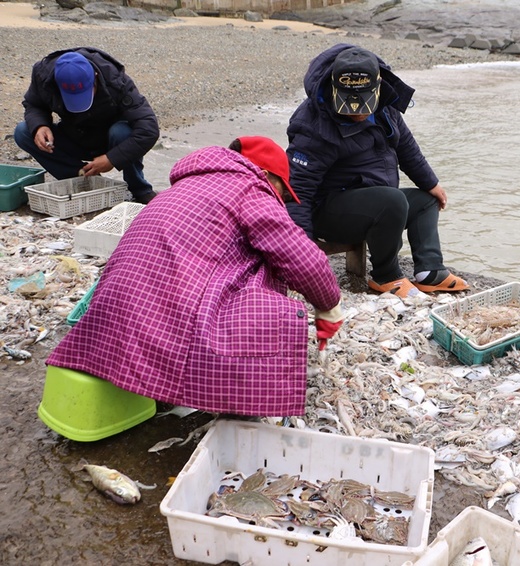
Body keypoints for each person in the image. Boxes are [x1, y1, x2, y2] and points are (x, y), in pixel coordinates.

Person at [46, 136, 343, 417]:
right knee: (265, 275)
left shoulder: (182, 187)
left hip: (109, 316)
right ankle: (222, 395)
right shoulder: (250, 187)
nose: (280, 200)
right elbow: (301, 257)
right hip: (166, 324)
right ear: (266, 175)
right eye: (281, 190)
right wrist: (328, 306)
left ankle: (152, 384)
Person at [284, 43, 469, 299]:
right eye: (350, 105)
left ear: (377, 88)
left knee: (425, 200)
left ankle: (430, 271)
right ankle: (386, 276)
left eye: (364, 104)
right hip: (329, 211)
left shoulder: (386, 104)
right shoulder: (313, 124)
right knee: (391, 201)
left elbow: (407, 147)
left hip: (375, 200)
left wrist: (431, 183)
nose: (358, 113)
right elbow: (297, 190)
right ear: (336, 90)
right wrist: (301, 251)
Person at [14, 47, 159, 204]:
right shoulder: (43, 76)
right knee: (23, 132)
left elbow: (149, 129)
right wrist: (40, 126)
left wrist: (112, 159)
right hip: (75, 136)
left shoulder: (116, 80)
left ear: (95, 77)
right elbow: (34, 104)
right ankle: (82, 178)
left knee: (122, 131)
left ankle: (139, 189)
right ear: (57, 83)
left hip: (110, 142)